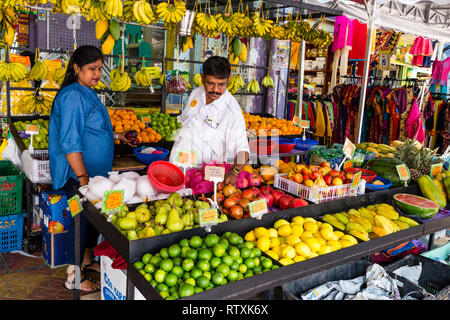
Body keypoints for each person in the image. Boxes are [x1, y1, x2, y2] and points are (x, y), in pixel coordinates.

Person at [49, 45, 136, 292]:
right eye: (91, 69)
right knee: (78, 223)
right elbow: (70, 141)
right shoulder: (73, 96)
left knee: (89, 222)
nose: (97, 73)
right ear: (76, 68)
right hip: (76, 178)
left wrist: (119, 136)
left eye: (100, 68)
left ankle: (86, 260)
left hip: (94, 177)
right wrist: (83, 178)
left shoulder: (85, 91)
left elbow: (93, 129)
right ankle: (73, 278)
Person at [169, 56, 250, 185]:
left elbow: (243, 150)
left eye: (221, 85)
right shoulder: (196, 93)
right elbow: (185, 123)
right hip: (177, 167)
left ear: (228, 80)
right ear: (202, 78)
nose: (216, 90)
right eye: (210, 83)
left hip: (203, 178)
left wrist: (234, 171)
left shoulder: (232, 112)